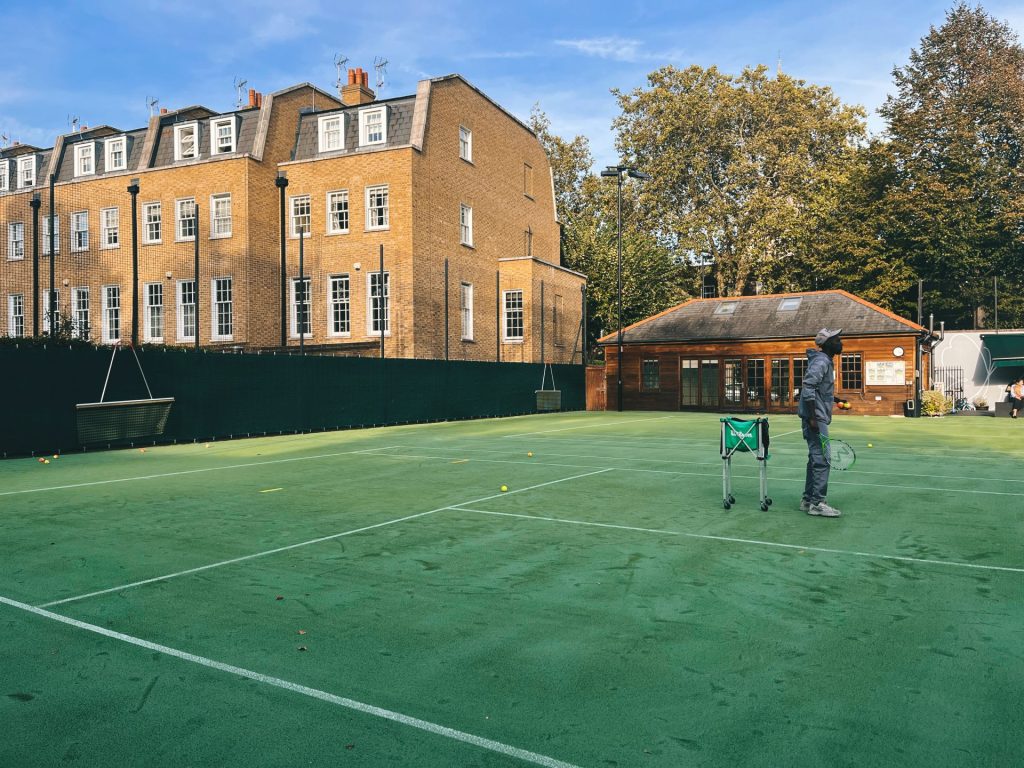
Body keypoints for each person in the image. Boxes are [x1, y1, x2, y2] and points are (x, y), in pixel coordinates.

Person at [798, 328, 846, 517]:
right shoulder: (821, 361)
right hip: (815, 417)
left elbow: (818, 389)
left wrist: (834, 399)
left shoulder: (825, 361)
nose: (841, 342)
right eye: (837, 339)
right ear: (828, 343)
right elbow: (808, 387)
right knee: (822, 459)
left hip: (816, 414)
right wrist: (812, 418)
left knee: (815, 458)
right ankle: (817, 503)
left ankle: (808, 499)